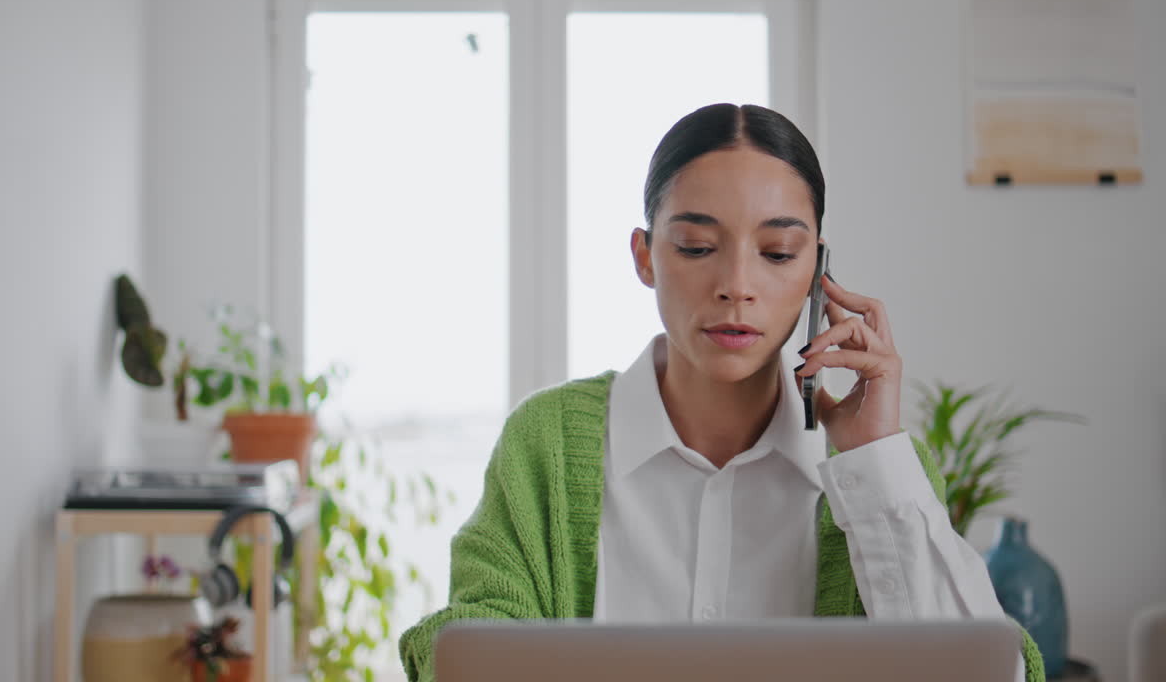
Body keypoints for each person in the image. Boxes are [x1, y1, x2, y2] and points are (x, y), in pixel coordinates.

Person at [398, 102, 1043, 682]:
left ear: (819, 270)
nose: (737, 283)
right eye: (698, 246)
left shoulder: (878, 472)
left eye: (779, 253)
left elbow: (994, 672)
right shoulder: (543, 445)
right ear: (646, 257)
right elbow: (465, 653)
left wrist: (876, 465)